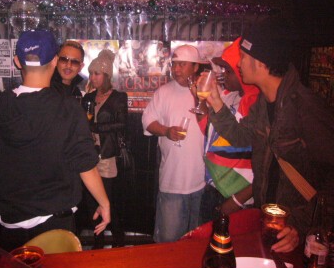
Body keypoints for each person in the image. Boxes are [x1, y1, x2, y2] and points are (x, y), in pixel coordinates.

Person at [0, 30, 110, 251]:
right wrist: (104, 203)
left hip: (10, 230)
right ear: (54, 61)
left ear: (17, 61)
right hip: (56, 228)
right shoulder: (68, 108)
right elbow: (85, 165)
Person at [205, 19, 334, 253]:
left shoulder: (305, 106)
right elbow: (241, 136)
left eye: (243, 57)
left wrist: (300, 225)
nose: (239, 63)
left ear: (261, 63)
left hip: (298, 233)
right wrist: (215, 103)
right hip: (269, 219)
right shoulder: (263, 104)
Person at [142, 44, 205, 243]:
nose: (176, 69)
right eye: (174, 64)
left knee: (197, 243)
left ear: (195, 66)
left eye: (182, 64)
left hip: (204, 182)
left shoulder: (208, 92)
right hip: (173, 181)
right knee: (168, 243)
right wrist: (166, 131)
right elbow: (147, 121)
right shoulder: (164, 92)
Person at [195, 38, 259, 224]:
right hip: (214, 187)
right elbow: (207, 129)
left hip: (239, 195)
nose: (223, 75)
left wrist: (237, 200)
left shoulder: (257, 106)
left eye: (229, 70)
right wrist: (199, 97)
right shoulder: (228, 96)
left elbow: (265, 166)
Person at [82, 49, 128, 248]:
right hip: (89, 156)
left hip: (107, 156)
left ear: (107, 75)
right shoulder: (88, 97)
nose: (92, 77)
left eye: (97, 73)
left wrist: (95, 127)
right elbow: (81, 123)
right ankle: (98, 242)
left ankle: (118, 240)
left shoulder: (118, 97)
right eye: (91, 73)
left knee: (108, 201)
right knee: (91, 202)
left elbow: (122, 124)